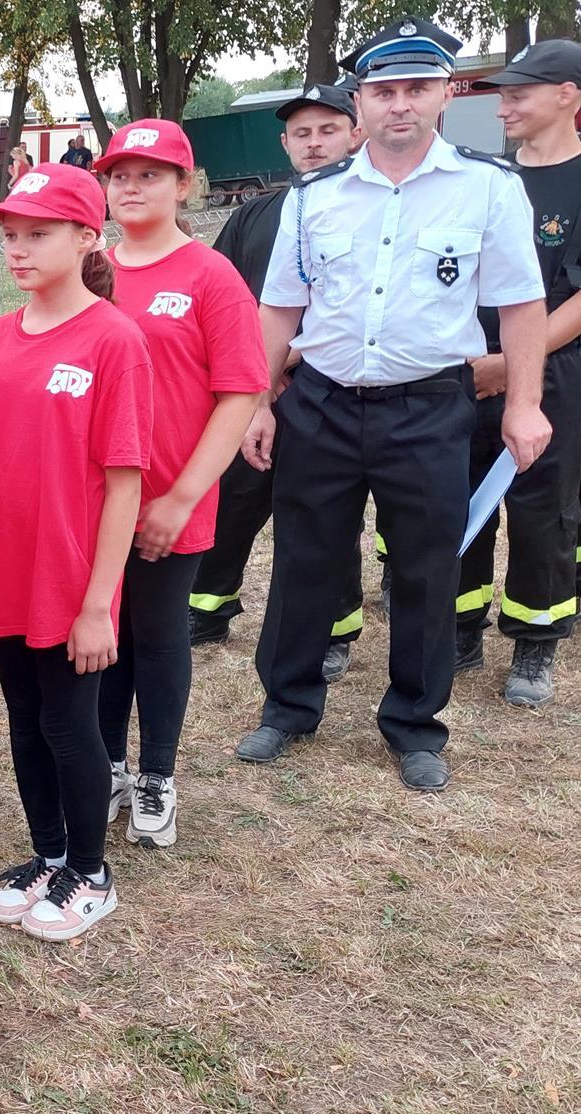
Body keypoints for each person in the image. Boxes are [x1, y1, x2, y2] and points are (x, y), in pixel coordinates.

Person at [234, 17, 550, 792]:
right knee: (304, 558)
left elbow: (521, 305)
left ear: (446, 93)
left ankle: (413, 724)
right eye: (383, 91)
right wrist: (257, 402)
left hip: (428, 407)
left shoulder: (487, 187)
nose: (398, 104)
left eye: (416, 88)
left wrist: (523, 404)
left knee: (424, 568)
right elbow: (278, 308)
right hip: (321, 403)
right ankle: (286, 706)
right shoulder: (313, 196)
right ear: (360, 103)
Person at [0, 165, 151, 940]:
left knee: (70, 725)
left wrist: (99, 603)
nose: (17, 249)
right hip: (2, 568)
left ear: (85, 238)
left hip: (67, 577)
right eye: (10, 235)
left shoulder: (113, 339)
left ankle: (90, 873)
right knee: (25, 718)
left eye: (37, 234)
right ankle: (50, 853)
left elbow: (124, 480)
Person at [93, 120, 267, 849]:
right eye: (119, 176)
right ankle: (106, 766)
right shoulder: (90, 268)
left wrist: (183, 496)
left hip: (168, 495)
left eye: (150, 175)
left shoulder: (208, 275)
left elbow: (239, 393)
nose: (131, 188)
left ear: (184, 185)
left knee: (158, 634)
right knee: (101, 632)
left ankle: (156, 775)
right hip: (92, 500)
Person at [188, 84, 368, 686]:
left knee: (324, 517)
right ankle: (208, 606)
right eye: (302, 134)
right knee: (235, 495)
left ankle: (336, 629)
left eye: (328, 130)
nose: (314, 144)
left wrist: (285, 362)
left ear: (356, 134)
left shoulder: (374, 210)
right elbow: (225, 296)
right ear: (284, 143)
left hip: (327, 391)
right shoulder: (255, 214)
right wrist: (251, 375)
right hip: (253, 387)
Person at [456, 40, 581, 707]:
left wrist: (513, 364)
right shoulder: (485, 179)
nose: (502, 107)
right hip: (468, 367)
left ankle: (535, 640)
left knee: (540, 510)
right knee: (460, 496)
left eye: (517, 95)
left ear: (566, 94)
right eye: (501, 96)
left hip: (552, 370)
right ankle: (459, 628)